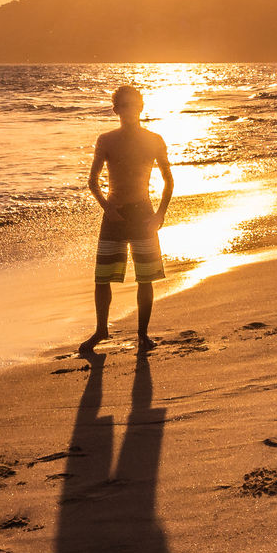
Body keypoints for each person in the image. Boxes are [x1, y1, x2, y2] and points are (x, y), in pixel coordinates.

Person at [82, 85, 173, 353]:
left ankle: (143, 335)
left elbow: (168, 181)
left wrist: (160, 213)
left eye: (133, 105)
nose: (129, 110)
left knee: (145, 277)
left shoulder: (154, 139)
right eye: (123, 106)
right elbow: (93, 181)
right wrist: (106, 208)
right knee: (102, 277)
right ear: (116, 110)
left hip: (143, 213)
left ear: (141, 107)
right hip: (115, 215)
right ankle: (101, 330)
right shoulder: (106, 140)